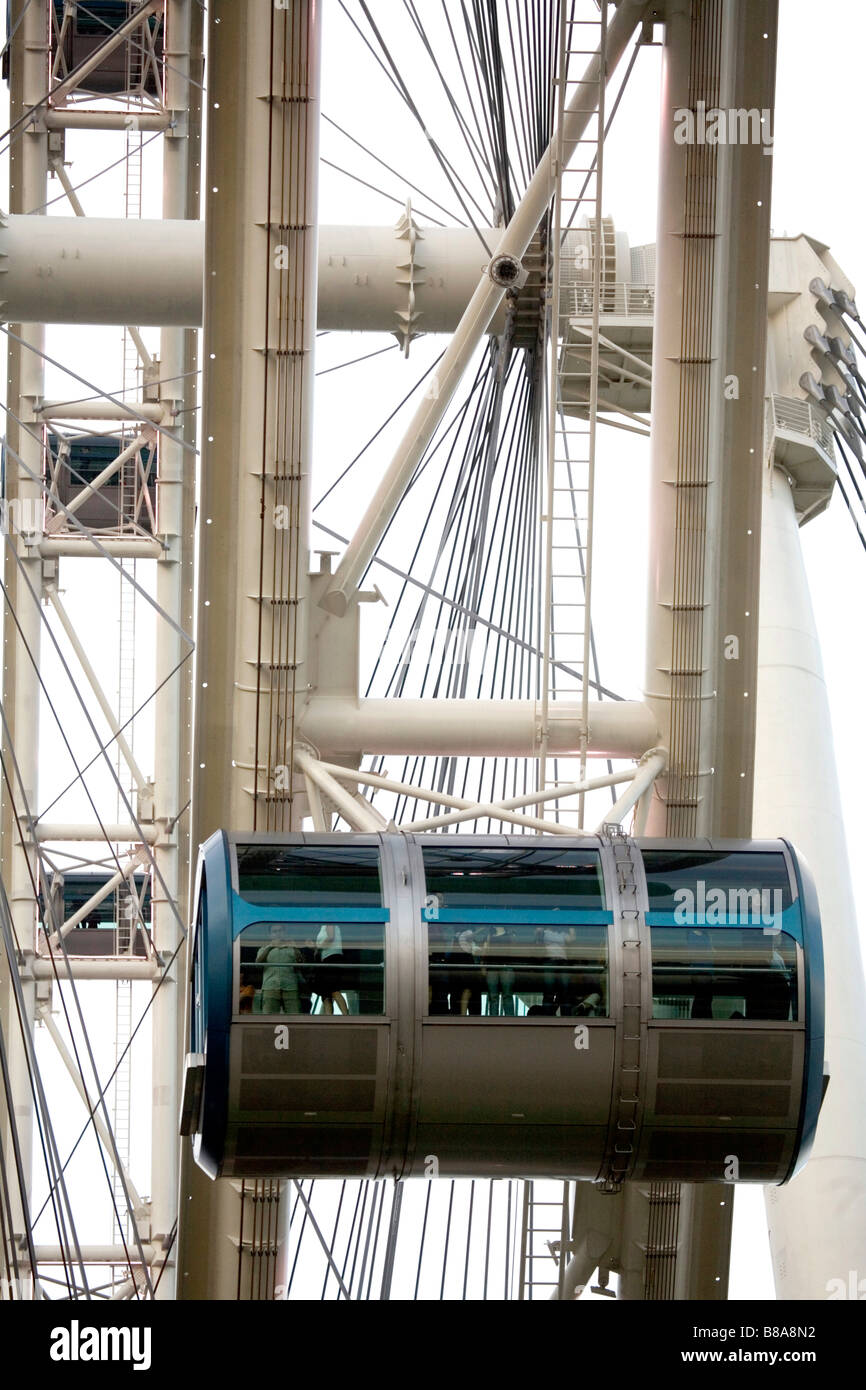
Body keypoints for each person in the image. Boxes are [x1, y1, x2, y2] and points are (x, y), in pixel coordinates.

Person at [255, 924, 301, 1014]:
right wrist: (269, 948)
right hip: (270, 987)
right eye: (274, 932)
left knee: (295, 1016)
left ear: (284, 933)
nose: (278, 934)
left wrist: (295, 948)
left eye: (280, 931)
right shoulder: (264, 949)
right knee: (269, 1018)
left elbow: (301, 965)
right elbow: (257, 964)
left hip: (290, 987)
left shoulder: (291, 949)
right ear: (270, 935)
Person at [316, 922, 349, 1015]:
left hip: (332, 958)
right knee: (326, 994)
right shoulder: (323, 927)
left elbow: (330, 938)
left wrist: (318, 947)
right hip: (326, 960)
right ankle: (329, 1018)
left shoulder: (329, 923)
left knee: (334, 990)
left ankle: (346, 1016)